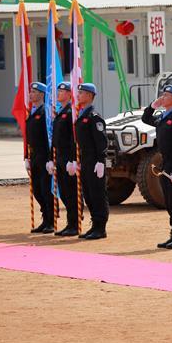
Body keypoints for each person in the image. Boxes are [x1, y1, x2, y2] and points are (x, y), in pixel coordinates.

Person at [142, 84, 172, 249]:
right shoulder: (163, 117)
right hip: (166, 163)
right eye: (163, 95)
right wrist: (152, 107)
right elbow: (146, 119)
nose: (163, 98)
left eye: (166, 95)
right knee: (169, 201)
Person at [74, 83, 109, 240]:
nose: (78, 95)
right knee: (88, 194)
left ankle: (100, 228)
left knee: (97, 194)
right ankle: (95, 225)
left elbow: (101, 141)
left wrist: (101, 161)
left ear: (89, 95)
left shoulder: (94, 117)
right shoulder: (82, 115)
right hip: (86, 161)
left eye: (81, 93)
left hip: (95, 162)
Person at [25, 82, 54, 233]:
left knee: (45, 189)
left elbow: (49, 137)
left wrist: (50, 158)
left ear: (42, 94)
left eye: (34, 92)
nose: (31, 94)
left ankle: (51, 221)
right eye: (30, 91)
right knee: (37, 190)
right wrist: (27, 156)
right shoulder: (31, 112)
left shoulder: (44, 113)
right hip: (34, 155)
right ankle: (45, 218)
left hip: (44, 155)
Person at [52, 83, 80, 237]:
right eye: (58, 91)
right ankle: (71, 222)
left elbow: (72, 139)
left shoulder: (70, 113)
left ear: (70, 94)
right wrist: (51, 159)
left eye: (62, 91)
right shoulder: (60, 112)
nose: (58, 93)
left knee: (71, 192)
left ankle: (74, 224)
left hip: (68, 158)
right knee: (64, 192)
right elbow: (55, 138)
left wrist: (72, 159)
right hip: (60, 157)